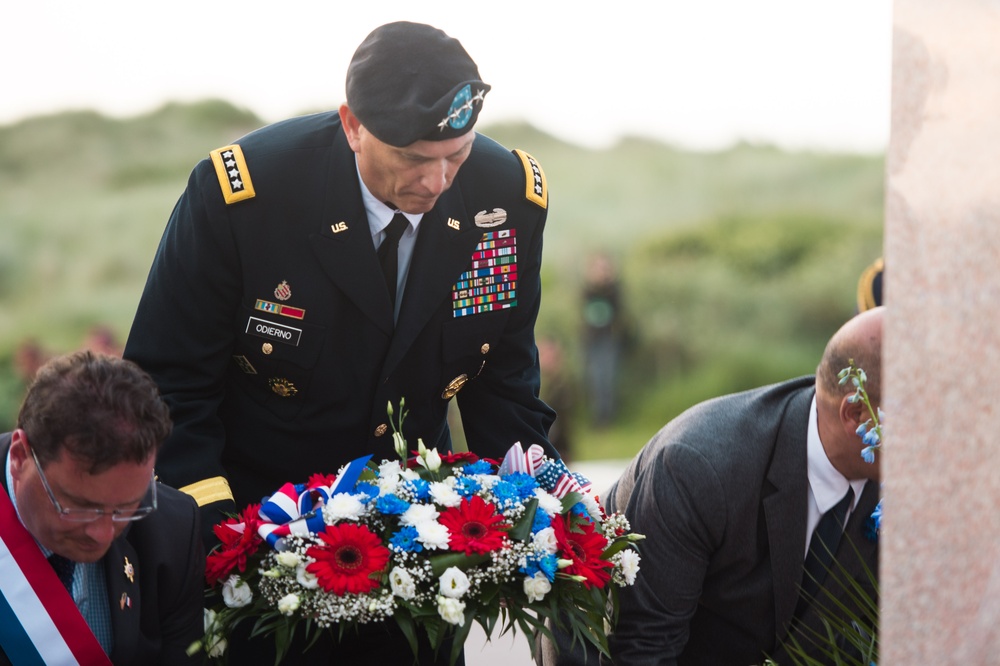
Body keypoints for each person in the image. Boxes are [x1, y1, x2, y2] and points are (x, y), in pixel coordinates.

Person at [123, 20, 555, 664]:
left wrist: (543, 516)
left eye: (456, 155)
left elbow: (503, 383)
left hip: (420, 551)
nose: (437, 182)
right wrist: (222, 541)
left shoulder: (505, 198)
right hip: (262, 548)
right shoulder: (245, 197)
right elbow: (168, 385)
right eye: (413, 157)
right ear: (353, 125)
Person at [543, 307, 883, 665]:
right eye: (918, 411)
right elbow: (644, 649)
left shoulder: (904, 483)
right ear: (856, 414)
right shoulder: (697, 468)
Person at [0, 351, 205, 665]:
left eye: (127, 507)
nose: (103, 534)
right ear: (20, 457)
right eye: (80, 506)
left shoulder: (173, 530)